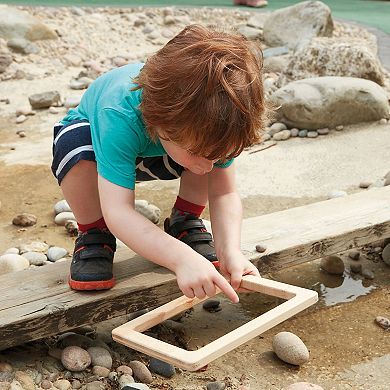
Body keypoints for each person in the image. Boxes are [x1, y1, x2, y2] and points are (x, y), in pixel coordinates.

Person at [51, 24, 267, 303]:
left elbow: (224, 193)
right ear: (161, 124)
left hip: (165, 153)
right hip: (99, 148)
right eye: (200, 154)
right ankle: (94, 233)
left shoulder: (218, 122)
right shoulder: (117, 113)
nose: (208, 167)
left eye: (218, 157)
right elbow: (118, 210)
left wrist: (231, 252)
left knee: (202, 156)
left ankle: (185, 219)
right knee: (72, 143)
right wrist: (180, 259)